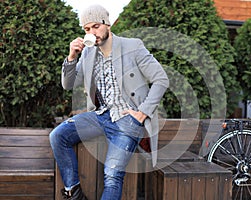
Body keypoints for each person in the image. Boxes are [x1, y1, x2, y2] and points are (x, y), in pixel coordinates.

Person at [49, 4, 169, 200]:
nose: (92, 32)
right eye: (87, 29)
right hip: (101, 115)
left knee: (112, 174)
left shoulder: (133, 46)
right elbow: (68, 84)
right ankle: (74, 192)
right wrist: (72, 56)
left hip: (128, 120)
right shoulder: (88, 53)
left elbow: (161, 79)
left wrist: (142, 113)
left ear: (107, 24)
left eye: (96, 26)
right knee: (58, 136)